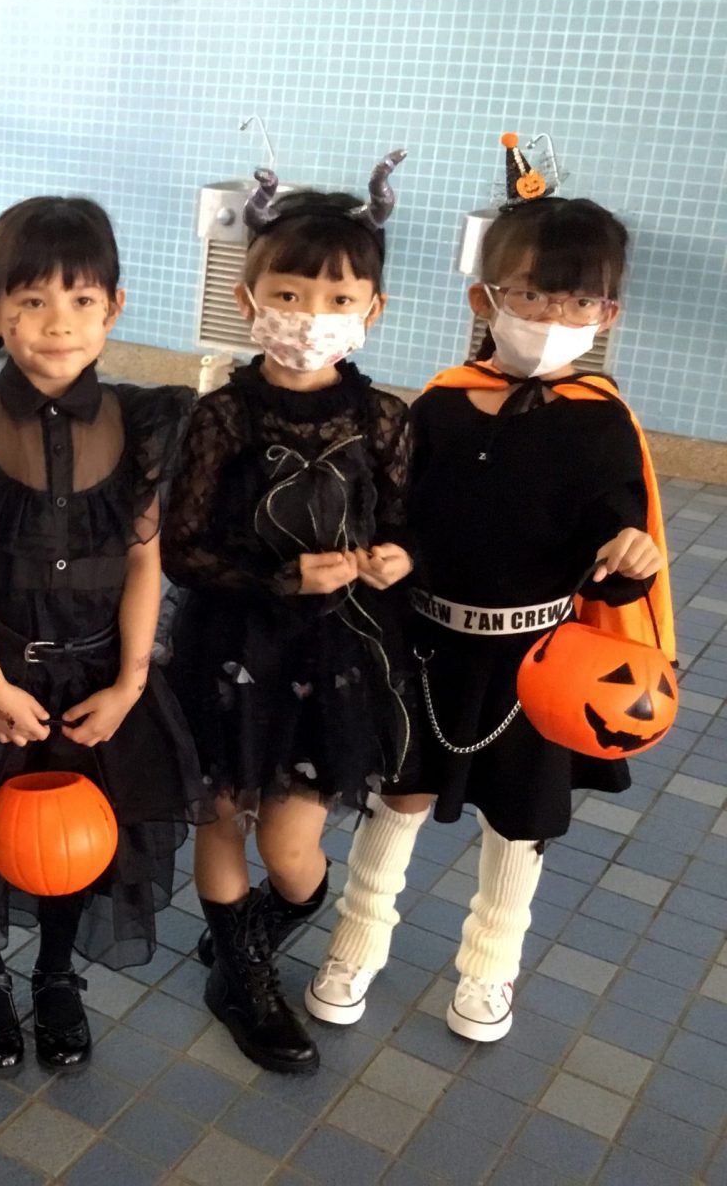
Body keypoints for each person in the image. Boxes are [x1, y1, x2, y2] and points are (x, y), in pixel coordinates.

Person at [307, 183, 671, 1045]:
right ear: (486, 298)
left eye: (580, 301)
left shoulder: (603, 424)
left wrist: (629, 557)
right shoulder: (438, 405)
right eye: (534, 294)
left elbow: (614, 551)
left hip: (540, 664)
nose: (555, 316)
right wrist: (392, 556)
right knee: (396, 799)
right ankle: (356, 947)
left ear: (607, 314)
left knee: (519, 821)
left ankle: (491, 967)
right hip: (428, 645)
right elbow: (401, 515)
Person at [0, 196, 208, 1073]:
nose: (57, 324)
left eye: (81, 300)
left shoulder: (145, 421)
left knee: (81, 836)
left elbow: (146, 561)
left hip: (96, 684)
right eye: (33, 300)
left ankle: (53, 974)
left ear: (114, 308)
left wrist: (129, 683)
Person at [164, 153, 417, 1073]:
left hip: (332, 658)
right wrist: (280, 579)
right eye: (290, 294)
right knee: (222, 813)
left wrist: (396, 557)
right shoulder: (222, 418)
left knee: (293, 845)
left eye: (338, 299)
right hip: (230, 646)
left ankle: (263, 924)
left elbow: (400, 524)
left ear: (371, 310)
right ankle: (240, 975)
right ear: (249, 300)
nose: (312, 316)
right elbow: (182, 549)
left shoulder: (384, 418)